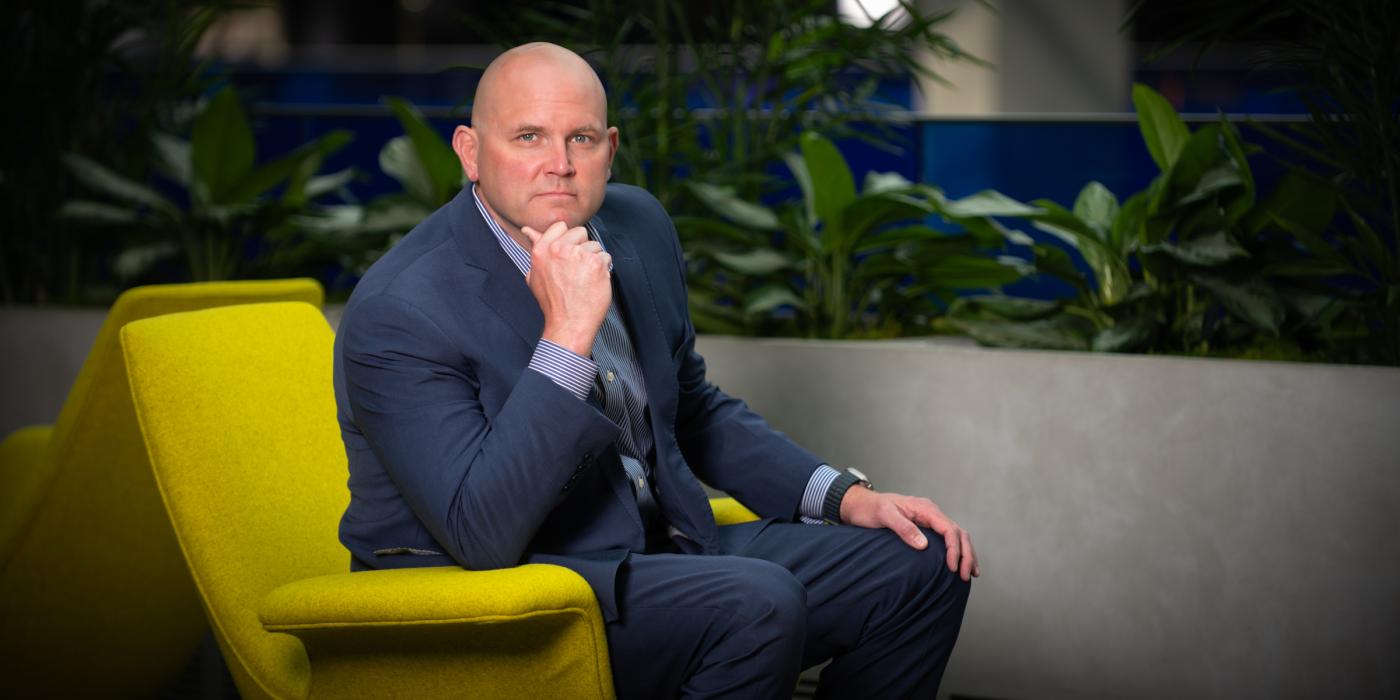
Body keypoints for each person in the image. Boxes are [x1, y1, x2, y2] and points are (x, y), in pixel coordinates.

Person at [334, 42, 977, 699]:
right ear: (470, 151)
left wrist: (844, 496)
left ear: (609, 148)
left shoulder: (635, 225)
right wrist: (567, 335)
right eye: (528, 136)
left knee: (924, 565)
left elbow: (691, 411)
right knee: (757, 604)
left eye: (580, 138)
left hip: (654, 551)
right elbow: (479, 534)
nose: (558, 165)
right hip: (502, 591)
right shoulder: (401, 308)